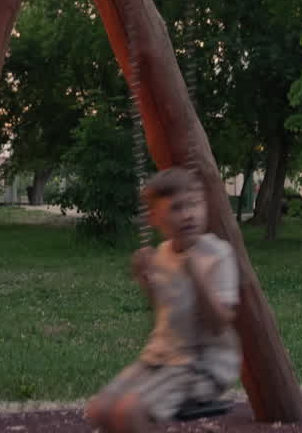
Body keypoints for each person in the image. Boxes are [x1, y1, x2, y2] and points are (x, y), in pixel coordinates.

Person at [84, 167, 240, 433]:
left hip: (202, 365)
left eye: (194, 204)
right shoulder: (162, 254)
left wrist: (198, 278)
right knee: (100, 408)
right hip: (160, 358)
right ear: (155, 217)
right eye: (177, 208)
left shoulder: (218, 255)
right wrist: (146, 280)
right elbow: (166, 310)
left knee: (129, 412)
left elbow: (219, 325)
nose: (189, 214)